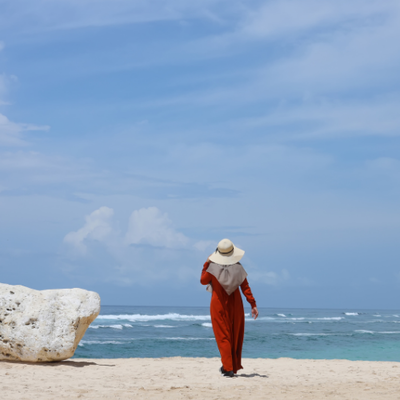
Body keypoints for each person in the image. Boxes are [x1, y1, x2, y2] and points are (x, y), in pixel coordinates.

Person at [200, 238, 258, 378]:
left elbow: (203, 281)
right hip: (236, 303)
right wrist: (253, 304)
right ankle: (230, 365)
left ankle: (228, 368)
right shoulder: (238, 267)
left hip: (218, 303)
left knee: (223, 336)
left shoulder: (212, 267)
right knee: (234, 334)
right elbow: (246, 288)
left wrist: (207, 262)